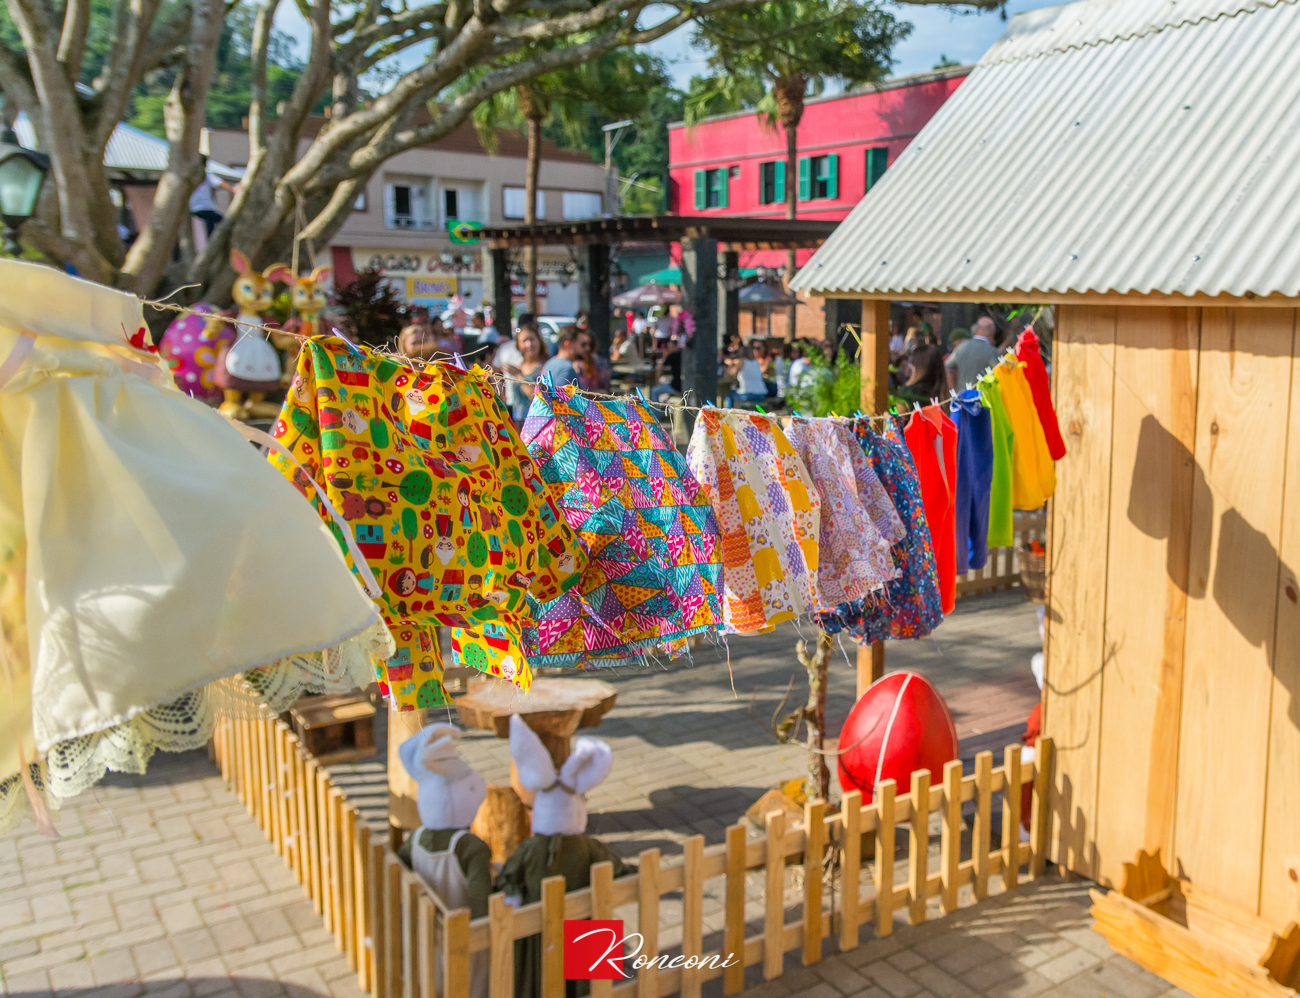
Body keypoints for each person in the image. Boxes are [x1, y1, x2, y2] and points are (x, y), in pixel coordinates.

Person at [945, 316, 999, 391]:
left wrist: (953, 389)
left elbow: (947, 366)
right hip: (983, 396)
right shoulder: (992, 351)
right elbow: (998, 373)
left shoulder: (961, 347)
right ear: (992, 333)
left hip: (963, 395)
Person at [189, 156, 237, 237]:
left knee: (209, 225)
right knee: (222, 223)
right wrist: (233, 189)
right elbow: (219, 183)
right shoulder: (207, 175)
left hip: (193, 209)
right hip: (205, 208)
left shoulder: (191, 175)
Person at [510, 328, 547, 423]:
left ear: (539, 341)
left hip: (538, 422)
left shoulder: (545, 366)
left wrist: (520, 378)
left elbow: (540, 398)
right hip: (519, 421)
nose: (529, 344)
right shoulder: (518, 366)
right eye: (524, 341)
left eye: (532, 339)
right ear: (518, 345)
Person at [726, 342, 775, 407]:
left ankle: (728, 412)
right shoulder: (756, 362)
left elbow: (730, 373)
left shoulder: (742, 362)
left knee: (730, 393)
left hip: (748, 395)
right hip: (761, 395)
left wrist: (731, 363)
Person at [650, 335, 681, 403]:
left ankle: (655, 409)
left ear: (676, 346)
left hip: (676, 387)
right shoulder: (682, 355)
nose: (669, 349)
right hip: (681, 385)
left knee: (654, 391)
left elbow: (660, 368)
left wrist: (657, 382)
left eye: (670, 347)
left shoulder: (673, 356)